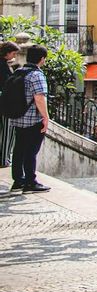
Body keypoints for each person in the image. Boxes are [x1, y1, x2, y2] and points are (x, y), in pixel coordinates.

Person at [9, 45, 51, 193]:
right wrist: (45, 117)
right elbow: (39, 98)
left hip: (18, 118)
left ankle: (18, 181)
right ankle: (30, 182)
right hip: (33, 119)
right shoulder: (37, 75)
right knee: (31, 150)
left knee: (19, 149)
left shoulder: (19, 71)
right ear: (42, 59)